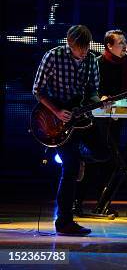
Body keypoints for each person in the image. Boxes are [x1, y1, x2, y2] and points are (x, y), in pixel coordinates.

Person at [32, 25, 109, 235]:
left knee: (104, 153)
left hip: (81, 118)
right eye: (79, 48)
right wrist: (56, 112)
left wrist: (100, 101)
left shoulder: (92, 60)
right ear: (69, 43)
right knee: (70, 168)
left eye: (86, 48)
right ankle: (64, 222)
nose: (83, 53)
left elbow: (93, 91)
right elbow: (37, 90)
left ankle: (81, 157)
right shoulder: (53, 56)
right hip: (57, 121)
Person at [74, 29, 127, 215]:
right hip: (94, 119)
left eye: (125, 42)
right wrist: (100, 97)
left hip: (115, 117)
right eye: (121, 43)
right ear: (109, 46)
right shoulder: (97, 63)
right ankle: (76, 203)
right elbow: (88, 89)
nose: (125, 46)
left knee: (112, 161)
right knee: (94, 159)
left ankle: (102, 204)